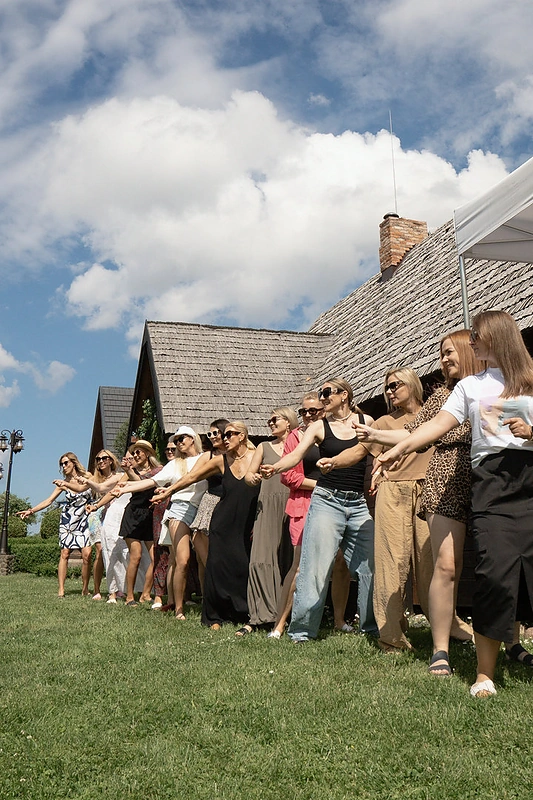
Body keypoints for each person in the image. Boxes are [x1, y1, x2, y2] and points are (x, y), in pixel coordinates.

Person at [375, 311, 533, 697]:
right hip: (492, 482)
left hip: (530, 476)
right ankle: (484, 674)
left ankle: (513, 644)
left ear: (496, 337)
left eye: (476, 336)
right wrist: (400, 447)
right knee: (494, 571)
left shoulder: (531, 379)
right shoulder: (470, 387)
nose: (472, 343)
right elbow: (434, 426)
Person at [353, 332, 478, 673]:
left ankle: (464, 626)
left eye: (396, 384)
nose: (391, 391)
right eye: (387, 386)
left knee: (439, 563)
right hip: (426, 486)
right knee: (408, 563)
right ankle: (394, 636)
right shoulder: (438, 401)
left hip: (470, 480)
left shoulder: (466, 392)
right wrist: (377, 438)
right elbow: (412, 435)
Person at [261, 378, 378, 643]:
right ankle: (302, 631)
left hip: (357, 503)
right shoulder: (318, 426)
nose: (323, 397)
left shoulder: (366, 421)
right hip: (327, 500)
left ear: (344, 395)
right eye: (322, 393)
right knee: (314, 567)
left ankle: (371, 627)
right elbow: (297, 455)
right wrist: (276, 467)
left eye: (327, 393)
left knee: (369, 565)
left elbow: (375, 451)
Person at [152, 421, 260, 628]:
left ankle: (242, 612)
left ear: (243, 436)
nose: (225, 438)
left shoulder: (256, 457)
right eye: (224, 435)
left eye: (230, 434)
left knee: (242, 565)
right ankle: (214, 616)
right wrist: (168, 491)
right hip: (222, 521)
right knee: (216, 566)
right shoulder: (221, 461)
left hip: (246, 521)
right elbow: (191, 477)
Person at [269, 393, 354, 639]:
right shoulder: (296, 437)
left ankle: (339, 620)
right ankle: (280, 624)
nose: (308, 415)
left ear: (325, 410)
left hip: (338, 503)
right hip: (305, 504)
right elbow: (290, 477)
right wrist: (324, 487)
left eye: (314, 411)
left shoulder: (337, 433)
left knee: (340, 562)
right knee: (299, 566)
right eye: (304, 411)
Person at [114, 428, 206, 618]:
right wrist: (124, 489)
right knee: (182, 559)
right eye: (176, 439)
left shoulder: (205, 458)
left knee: (205, 559)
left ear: (193, 439)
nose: (179, 442)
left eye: (182, 438)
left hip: (202, 508)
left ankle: (208, 603)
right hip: (179, 509)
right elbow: (150, 482)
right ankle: (178, 608)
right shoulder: (174, 464)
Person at [238, 407, 298, 635]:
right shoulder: (263, 446)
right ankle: (259, 615)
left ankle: (285, 615)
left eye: (275, 419)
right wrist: (254, 477)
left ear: (289, 421)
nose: (270, 423)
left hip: (294, 501)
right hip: (268, 504)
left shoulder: (300, 444)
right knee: (261, 558)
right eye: (269, 420)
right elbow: (249, 476)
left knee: (289, 558)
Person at [18, 453, 93, 598]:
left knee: (87, 554)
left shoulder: (87, 477)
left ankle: (85, 588)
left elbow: (83, 489)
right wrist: (31, 511)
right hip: (68, 520)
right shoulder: (63, 484)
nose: (64, 466)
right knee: (64, 553)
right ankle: (61, 589)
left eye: (66, 463)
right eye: (62, 464)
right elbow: (49, 501)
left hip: (84, 518)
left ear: (74, 462)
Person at [117, 441, 161, 606]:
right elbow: (138, 482)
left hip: (149, 515)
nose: (135, 455)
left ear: (148, 453)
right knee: (135, 555)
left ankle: (145, 593)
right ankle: (129, 597)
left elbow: (148, 482)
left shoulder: (158, 471)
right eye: (134, 453)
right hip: (133, 515)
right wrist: (127, 470)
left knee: (155, 556)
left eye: (138, 452)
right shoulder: (132, 472)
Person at [188, 419, 230, 593]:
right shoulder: (209, 456)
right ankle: (208, 596)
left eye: (215, 433)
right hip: (211, 501)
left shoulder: (237, 453)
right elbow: (192, 476)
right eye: (209, 434)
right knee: (202, 551)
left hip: (229, 503)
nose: (212, 437)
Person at [84, 450, 119, 600]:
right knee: (100, 550)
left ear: (111, 460)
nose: (101, 461)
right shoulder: (93, 478)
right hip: (96, 516)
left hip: (114, 515)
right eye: (98, 459)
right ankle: (97, 589)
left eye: (105, 458)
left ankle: (117, 587)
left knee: (114, 550)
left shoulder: (118, 477)